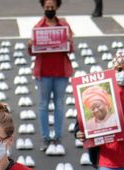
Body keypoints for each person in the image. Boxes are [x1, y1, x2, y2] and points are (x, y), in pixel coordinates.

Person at [27, 0, 73, 152]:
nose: (49, 9)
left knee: (59, 104)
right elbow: (32, 51)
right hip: (44, 73)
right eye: (47, 7)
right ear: (43, 8)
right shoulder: (38, 27)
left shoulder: (64, 26)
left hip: (61, 72)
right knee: (43, 105)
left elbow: (71, 49)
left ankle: (58, 136)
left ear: (57, 7)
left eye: (52, 7)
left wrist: (69, 41)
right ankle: (46, 137)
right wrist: (30, 45)